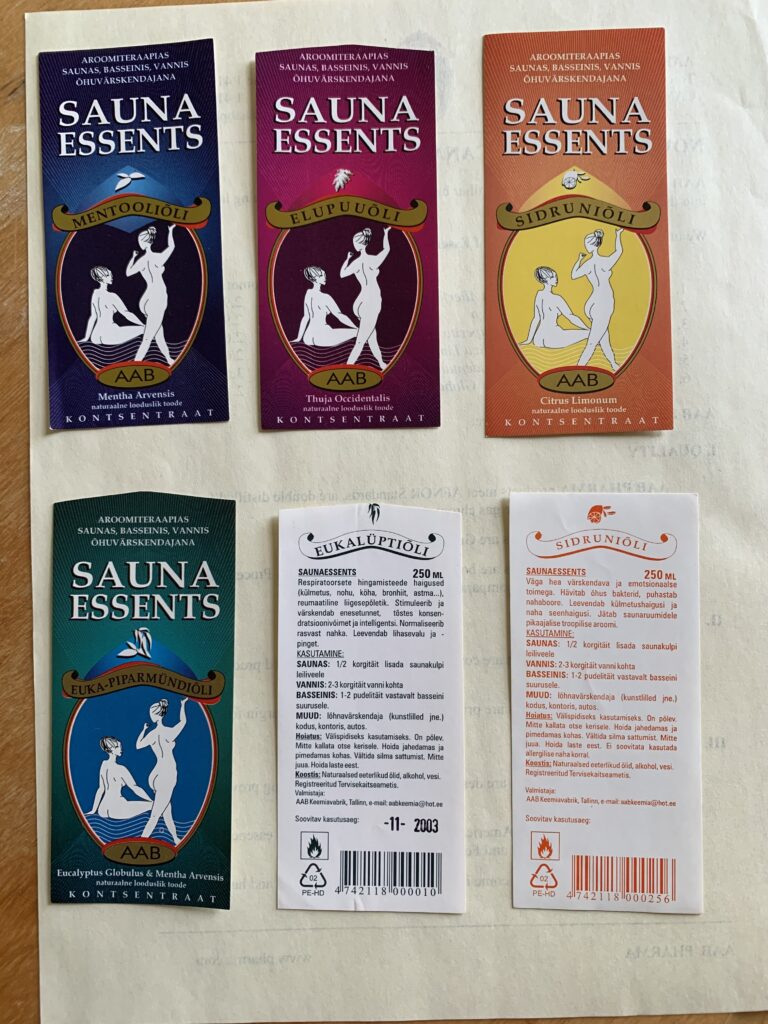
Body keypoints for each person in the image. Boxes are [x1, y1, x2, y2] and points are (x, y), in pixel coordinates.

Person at [136, 696, 188, 844]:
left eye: (151, 713)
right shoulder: (168, 732)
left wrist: (143, 730)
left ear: (156, 715)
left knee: (166, 809)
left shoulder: (152, 734)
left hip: (156, 774)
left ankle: (175, 838)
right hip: (167, 773)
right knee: (155, 814)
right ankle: (141, 841)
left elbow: (138, 745)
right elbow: (183, 722)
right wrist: (183, 706)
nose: (150, 715)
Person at [570, 227, 622, 371]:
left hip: (592, 303)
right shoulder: (605, 262)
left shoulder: (588, 264)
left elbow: (574, 275)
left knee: (603, 335)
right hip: (603, 302)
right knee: (593, 341)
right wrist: (618, 235)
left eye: (586, 243)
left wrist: (579, 260)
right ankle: (578, 368)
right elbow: (618, 251)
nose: (585, 245)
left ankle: (613, 363)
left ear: (591, 245)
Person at [340, 226, 390, 369]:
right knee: (361, 340)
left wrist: (347, 259)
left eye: (354, 242)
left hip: (360, 302)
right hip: (372, 301)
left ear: (358, 244)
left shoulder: (356, 262)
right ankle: (348, 366)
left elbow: (342, 274)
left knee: (371, 335)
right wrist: (386, 234)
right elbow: (386, 250)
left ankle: (381, 363)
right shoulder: (372, 260)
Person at [126, 224, 175, 365]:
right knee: (148, 337)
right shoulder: (158, 258)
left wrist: (133, 258)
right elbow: (171, 247)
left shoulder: (142, 260)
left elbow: (128, 273)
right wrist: (170, 232)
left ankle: (168, 359)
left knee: (158, 332)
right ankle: (136, 363)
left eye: (139, 241)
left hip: (146, 299)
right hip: (157, 297)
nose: (139, 243)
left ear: (144, 242)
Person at [521, 266, 590, 349]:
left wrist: (529, 340)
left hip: (538, 339)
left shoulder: (539, 295)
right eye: (553, 277)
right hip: (553, 338)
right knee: (589, 334)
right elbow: (571, 317)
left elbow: (536, 319)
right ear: (547, 279)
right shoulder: (557, 299)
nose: (556, 279)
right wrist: (588, 329)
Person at [291, 266, 358, 348]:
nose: (325, 277)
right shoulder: (325, 297)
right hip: (322, 336)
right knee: (357, 332)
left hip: (308, 337)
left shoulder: (308, 293)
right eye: (322, 275)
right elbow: (340, 316)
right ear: (315, 278)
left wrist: (299, 338)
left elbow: (306, 317)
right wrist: (356, 328)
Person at [78, 266, 144, 348]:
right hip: (109, 334)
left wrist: (86, 337)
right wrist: (143, 325)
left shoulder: (95, 293)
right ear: (102, 278)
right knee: (144, 330)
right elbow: (127, 314)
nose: (111, 277)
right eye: (109, 275)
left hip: (95, 336)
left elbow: (93, 317)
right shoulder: (112, 296)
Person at [89, 736, 153, 820]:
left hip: (103, 809)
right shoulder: (121, 769)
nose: (121, 749)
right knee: (154, 805)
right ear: (112, 749)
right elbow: (135, 788)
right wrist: (151, 801)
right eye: (118, 747)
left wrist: (94, 810)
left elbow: (101, 789)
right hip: (117, 808)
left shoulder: (104, 765)